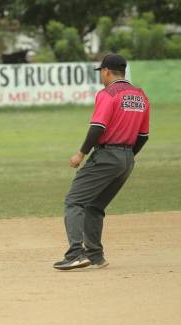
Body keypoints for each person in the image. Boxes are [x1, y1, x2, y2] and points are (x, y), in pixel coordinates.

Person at [54, 53, 150, 271]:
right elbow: (143, 136)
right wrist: (127, 157)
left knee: (74, 201)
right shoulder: (140, 96)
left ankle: (76, 254)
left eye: (102, 73)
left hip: (107, 155)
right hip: (127, 159)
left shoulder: (108, 93)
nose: (101, 77)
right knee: (95, 206)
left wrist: (81, 153)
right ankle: (96, 256)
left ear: (106, 71)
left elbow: (98, 127)